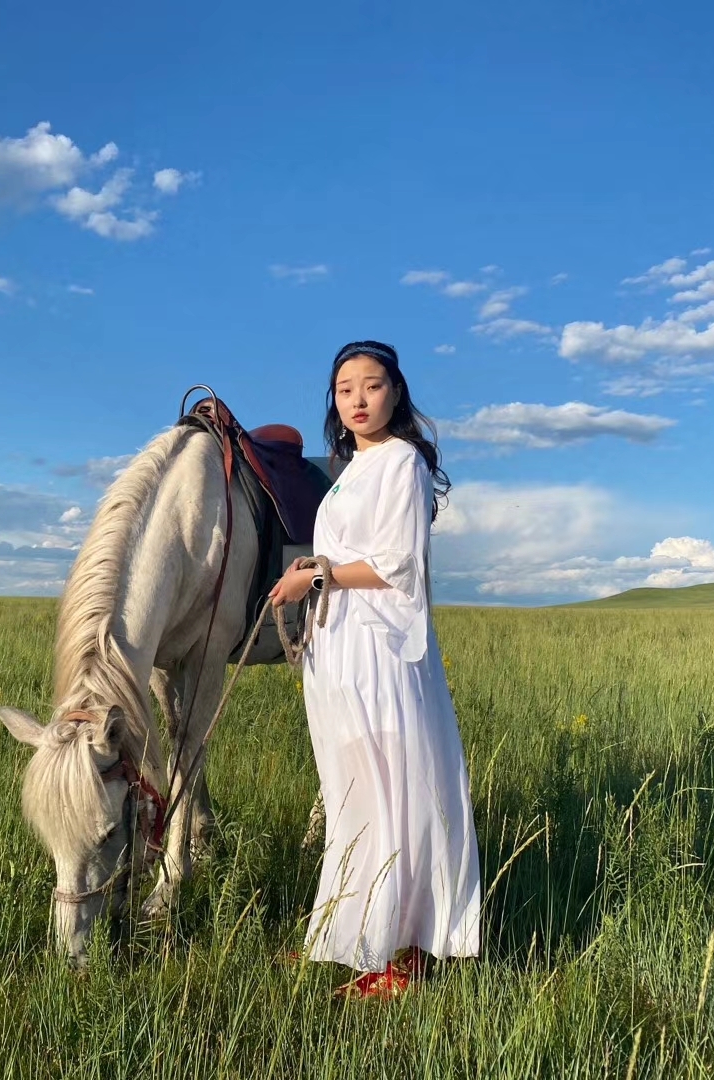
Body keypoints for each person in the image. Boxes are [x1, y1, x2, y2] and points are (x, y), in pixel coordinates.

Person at [269, 340, 481, 998]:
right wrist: (310, 571)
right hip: (338, 648)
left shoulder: (402, 464)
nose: (358, 399)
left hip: (383, 651)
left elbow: (396, 566)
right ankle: (349, 934)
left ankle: (404, 952)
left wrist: (319, 573)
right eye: (344, 389)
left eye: (372, 385)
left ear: (396, 392)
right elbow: (343, 556)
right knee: (355, 794)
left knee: (398, 789)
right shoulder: (348, 471)